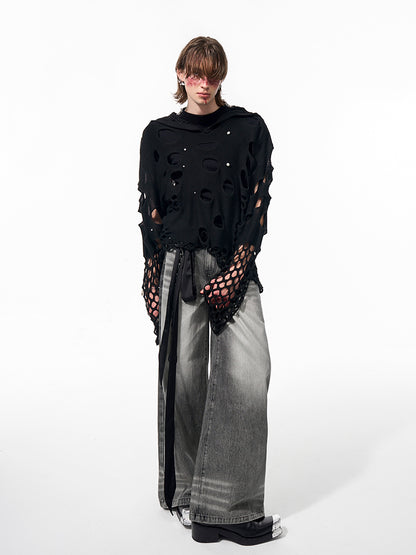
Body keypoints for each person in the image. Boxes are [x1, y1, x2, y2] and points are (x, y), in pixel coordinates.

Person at [137, 36, 283, 546]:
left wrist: (238, 267)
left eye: (213, 74)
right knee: (185, 379)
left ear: (222, 76)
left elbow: (258, 204)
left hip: (231, 263)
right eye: (195, 74)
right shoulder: (157, 134)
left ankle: (228, 509)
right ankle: (188, 498)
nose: (204, 84)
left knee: (250, 374)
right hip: (176, 266)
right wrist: (150, 277)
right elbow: (151, 210)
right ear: (181, 74)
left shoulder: (249, 128)